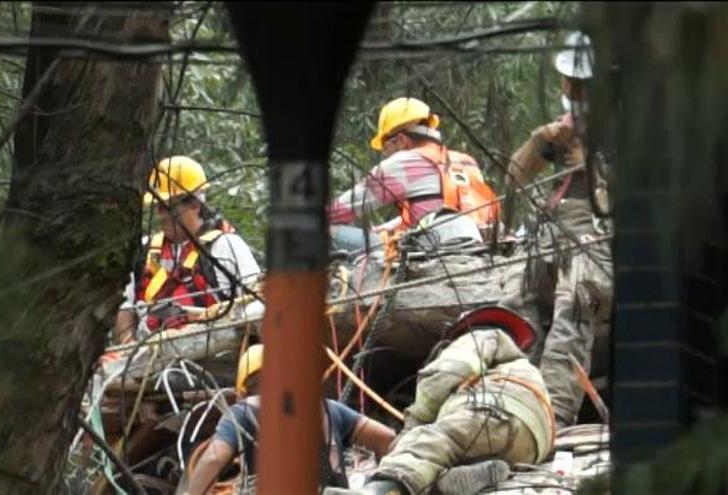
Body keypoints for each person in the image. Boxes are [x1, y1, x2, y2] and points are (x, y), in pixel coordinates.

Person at [497, 31, 613, 428]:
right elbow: (513, 178)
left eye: (583, 84)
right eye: (570, 81)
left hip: (600, 237)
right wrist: (537, 142)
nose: (573, 89)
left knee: (576, 293)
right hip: (551, 233)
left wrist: (591, 163)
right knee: (515, 290)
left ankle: (552, 416)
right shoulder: (565, 127)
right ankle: (519, 395)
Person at [333, 306, 555, 495]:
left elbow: (449, 372)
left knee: (423, 447)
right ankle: (445, 483)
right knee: (443, 460)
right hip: (532, 445)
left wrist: (414, 426)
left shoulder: (480, 336)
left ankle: (377, 491)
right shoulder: (524, 370)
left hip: (492, 413)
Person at [184, 344, 397, 494]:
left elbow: (212, 459)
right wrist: (378, 484)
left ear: (242, 390)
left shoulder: (242, 411)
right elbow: (387, 438)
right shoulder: (328, 407)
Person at [113, 156, 261, 345]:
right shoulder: (145, 251)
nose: (161, 215)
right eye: (158, 207)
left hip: (213, 354)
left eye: (168, 207)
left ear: (195, 205)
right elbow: (124, 304)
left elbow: (255, 303)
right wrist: (129, 351)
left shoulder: (225, 246)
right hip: (149, 357)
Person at [327, 97, 499, 254]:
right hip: (482, 243)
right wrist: (389, 227)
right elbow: (439, 208)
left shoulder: (403, 162)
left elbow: (344, 209)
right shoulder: (465, 161)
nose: (385, 154)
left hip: (433, 249)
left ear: (401, 140)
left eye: (386, 147)